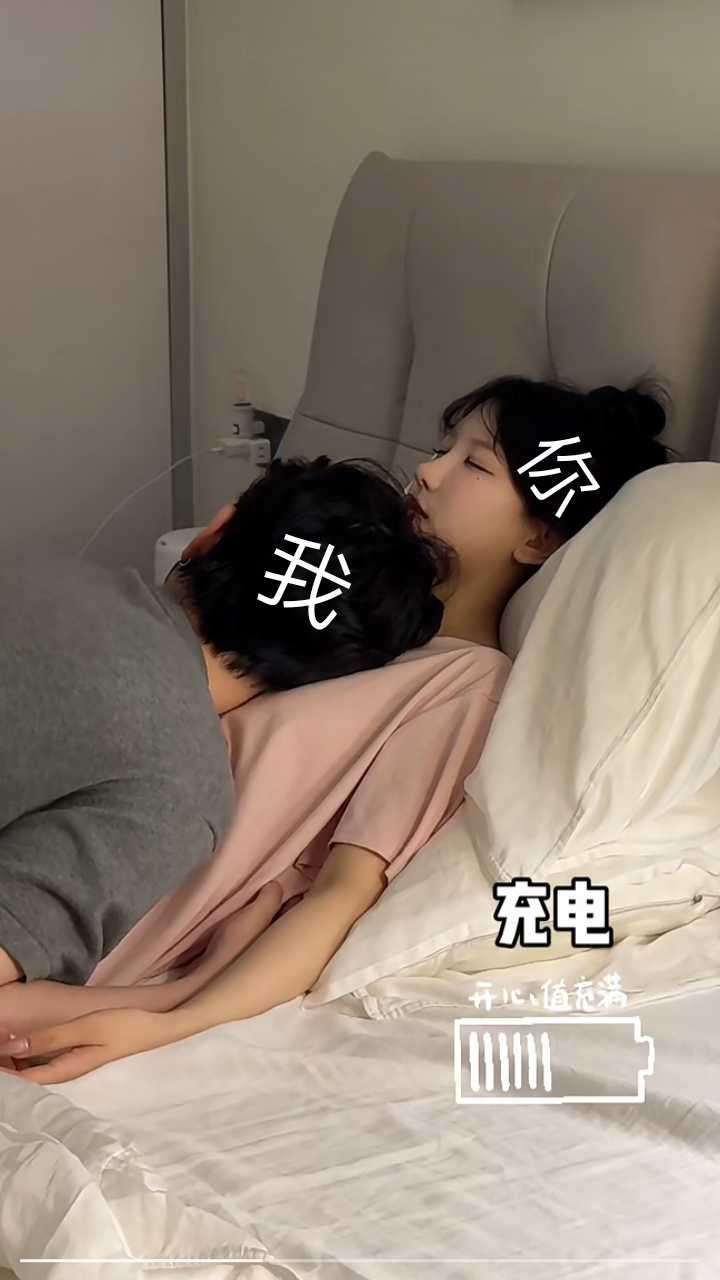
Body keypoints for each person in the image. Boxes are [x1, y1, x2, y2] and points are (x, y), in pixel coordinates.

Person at [0, 374, 676, 1083]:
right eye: (441, 450)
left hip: (114, 898)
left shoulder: (463, 682)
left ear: (539, 536)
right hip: (78, 824)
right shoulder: (336, 620)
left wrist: (178, 1016)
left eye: (474, 464)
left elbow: (343, 894)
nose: (428, 472)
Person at [0, 455, 452, 992]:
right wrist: (188, 991)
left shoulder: (39, 569)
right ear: (329, 675)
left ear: (213, 532)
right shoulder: (177, 789)